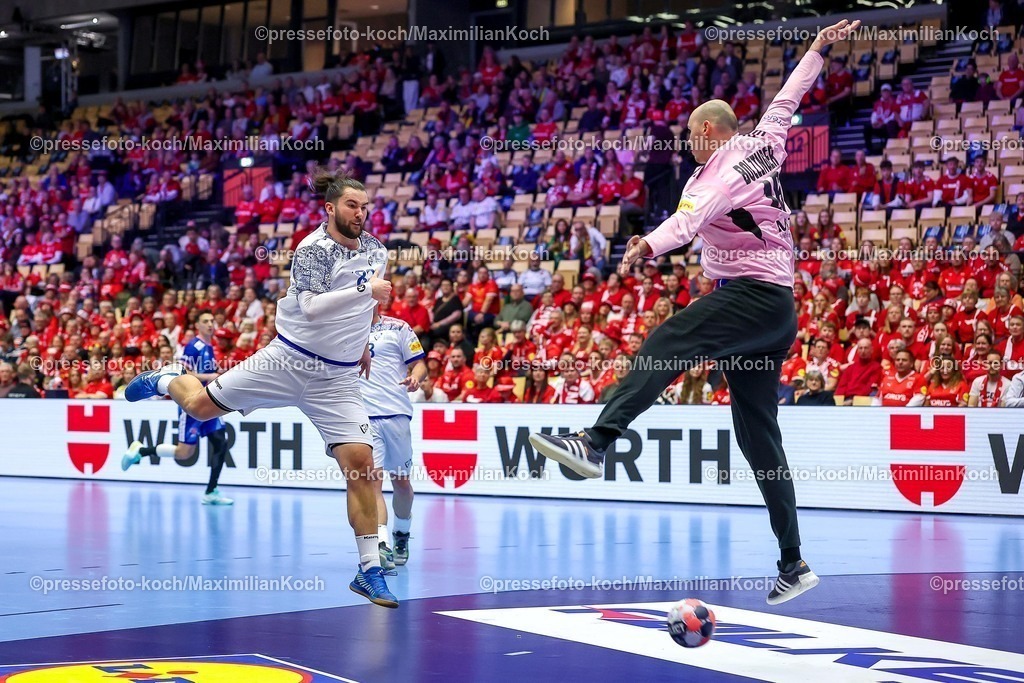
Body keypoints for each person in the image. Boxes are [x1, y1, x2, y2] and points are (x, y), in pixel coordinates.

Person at [528, 19, 864, 607]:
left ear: (708, 131)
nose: (687, 145)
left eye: (690, 135)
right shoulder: (767, 142)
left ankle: (597, 440)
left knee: (664, 344)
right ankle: (793, 560)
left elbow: (685, 223)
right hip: (776, 309)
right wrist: (815, 49)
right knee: (758, 434)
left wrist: (642, 245)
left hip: (750, 295)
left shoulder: (717, 170)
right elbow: (790, 97)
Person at [122, 168, 399, 608]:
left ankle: (369, 571)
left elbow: (367, 308)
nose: (361, 213)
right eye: (352, 205)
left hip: (338, 378)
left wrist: (365, 341)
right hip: (287, 360)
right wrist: (367, 288)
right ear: (330, 208)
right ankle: (166, 378)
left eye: (365, 206)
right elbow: (309, 308)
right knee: (197, 407)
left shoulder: (376, 250)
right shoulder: (314, 249)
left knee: (362, 466)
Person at [121, 311, 233, 505]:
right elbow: (182, 373)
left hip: (209, 402)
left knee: (220, 443)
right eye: (205, 321)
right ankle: (141, 450)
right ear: (197, 325)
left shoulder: (209, 346)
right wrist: (210, 377)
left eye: (212, 320)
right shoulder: (194, 346)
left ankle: (211, 491)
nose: (210, 324)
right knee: (184, 453)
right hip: (193, 402)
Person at [360, 308, 427, 569]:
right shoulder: (346, 326)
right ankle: (382, 545)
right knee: (372, 483)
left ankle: (401, 533)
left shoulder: (398, 327)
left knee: (401, 483)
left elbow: (419, 363)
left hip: (396, 413)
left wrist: (416, 378)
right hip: (363, 416)